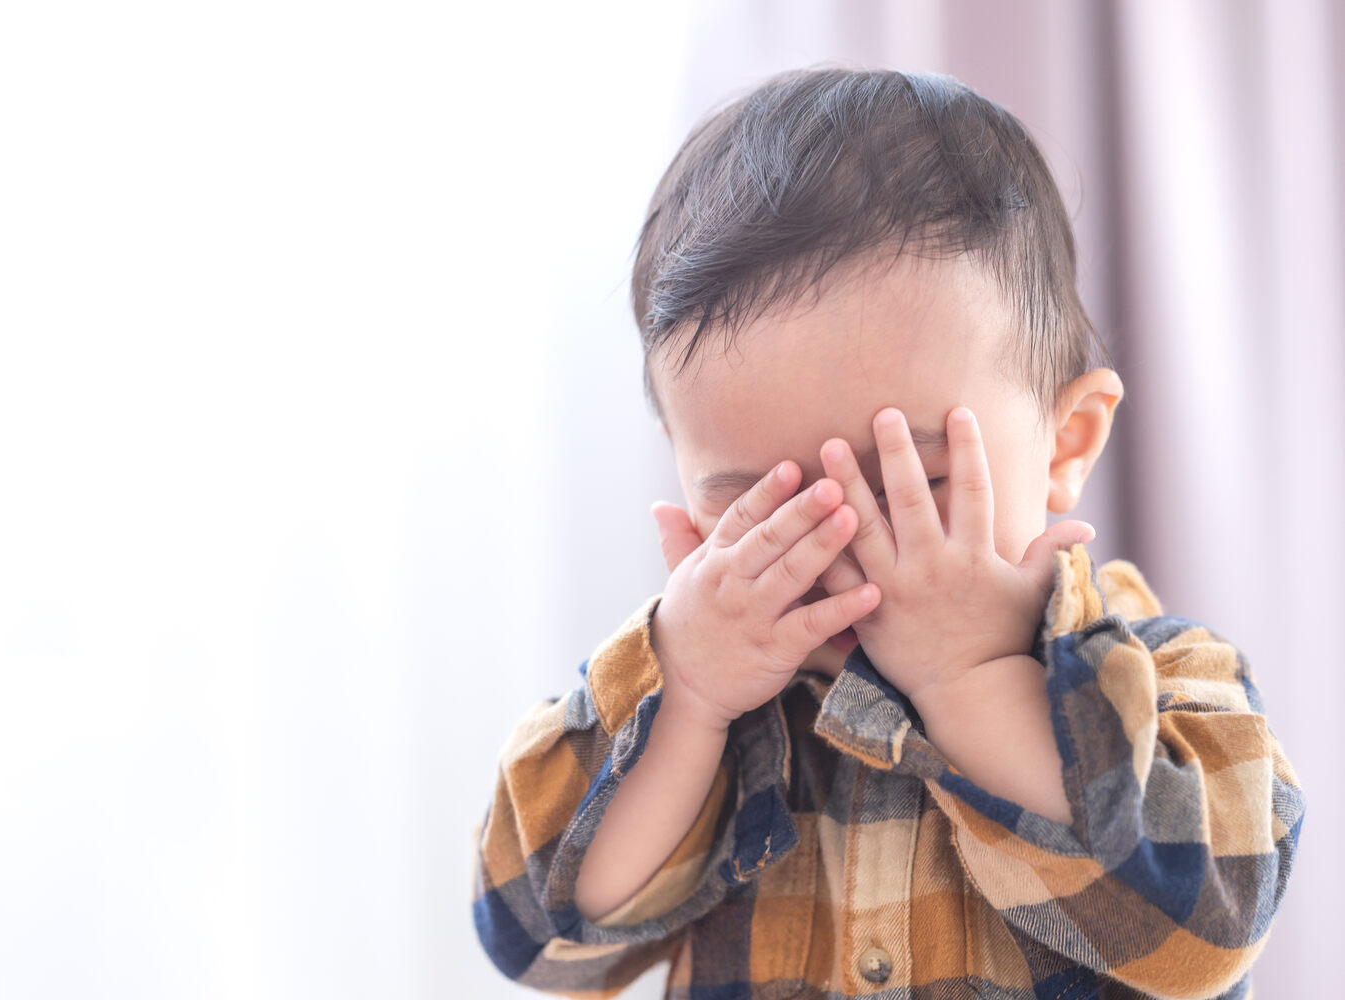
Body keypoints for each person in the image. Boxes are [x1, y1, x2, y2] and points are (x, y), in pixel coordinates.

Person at [470, 66, 1303, 999]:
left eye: (918, 486)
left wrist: (969, 676)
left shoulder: (1172, 685)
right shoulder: (716, 712)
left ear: (1065, 442)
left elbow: (1201, 937)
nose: (845, 550)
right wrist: (691, 698)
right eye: (765, 505)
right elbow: (539, 934)